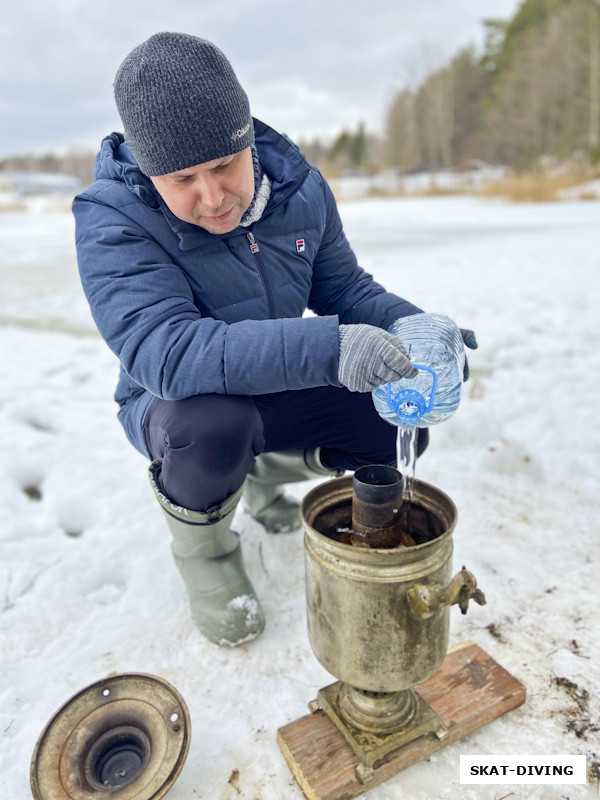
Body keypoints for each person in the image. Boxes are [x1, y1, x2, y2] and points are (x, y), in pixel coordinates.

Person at [73, 32, 475, 648]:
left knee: (399, 414)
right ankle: (207, 556)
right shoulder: (113, 218)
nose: (212, 198)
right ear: (151, 174)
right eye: (182, 179)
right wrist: (334, 349)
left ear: (246, 141)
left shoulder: (298, 188)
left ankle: (259, 478)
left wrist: (415, 332)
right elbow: (170, 353)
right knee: (214, 427)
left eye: (224, 166)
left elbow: (345, 288)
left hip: (277, 382)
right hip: (178, 406)